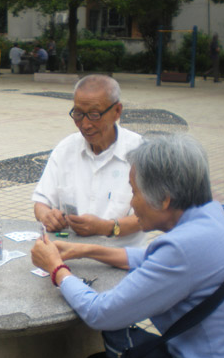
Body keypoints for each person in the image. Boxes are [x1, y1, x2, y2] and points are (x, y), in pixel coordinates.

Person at [31, 134, 224, 358]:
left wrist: (57, 269)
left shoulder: (184, 248)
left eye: (135, 191)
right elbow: (151, 257)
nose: (132, 203)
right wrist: (84, 250)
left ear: (165, 199)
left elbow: (101, 313)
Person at [32, 74, 145, 246]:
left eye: (94, 114)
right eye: (78, 114)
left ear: (117, 111)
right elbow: (41, 202)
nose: (85, 124)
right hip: (68, 253)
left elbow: (148, 216)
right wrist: (47, 216)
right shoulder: (66, 149)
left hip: (121, 257)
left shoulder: (141, 153)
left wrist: (106, 227)